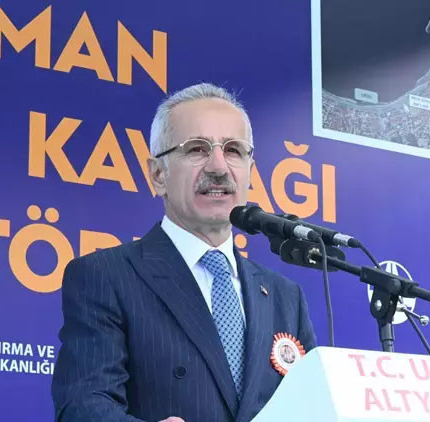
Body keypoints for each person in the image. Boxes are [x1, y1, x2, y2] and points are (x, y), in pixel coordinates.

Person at [51, 83, 317, 422]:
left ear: (250, 171)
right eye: (197, 149)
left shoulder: (285, 296)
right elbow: (83, 405)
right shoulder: (106, 276)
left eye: (234, 150)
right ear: (158, 175)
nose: (218, 167)